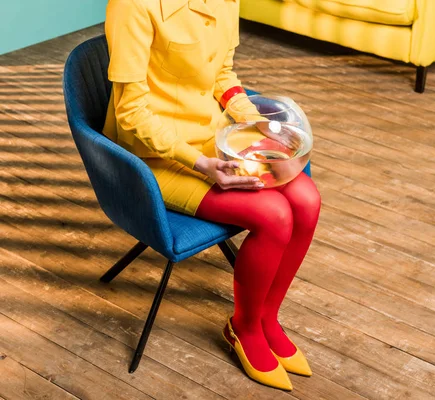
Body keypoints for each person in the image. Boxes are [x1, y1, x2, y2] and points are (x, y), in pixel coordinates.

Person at [102, 0, 321, 391]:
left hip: (212, 133)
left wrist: (252, 118)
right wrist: (200, 163)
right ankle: (245, 328)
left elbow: (223, 73)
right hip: (154, 155)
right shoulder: (133, 5)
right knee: (274, 215)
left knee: (306, 200)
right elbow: (130, 115)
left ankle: (268, 316)